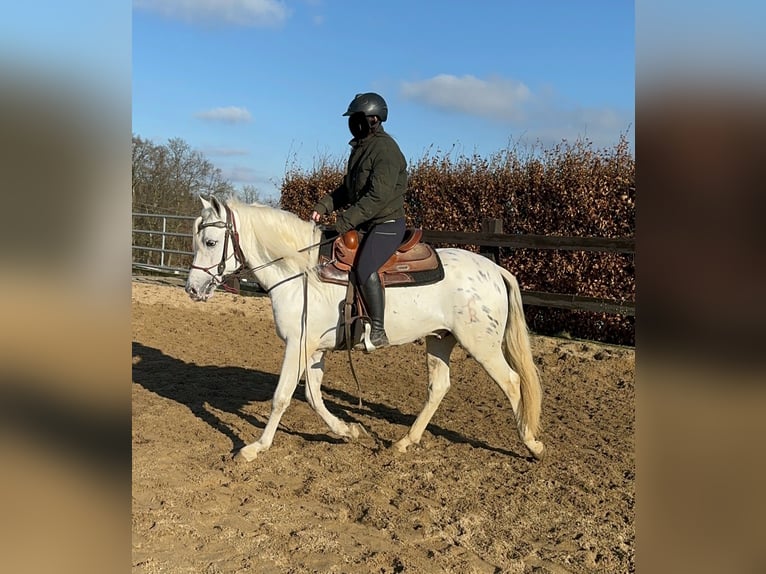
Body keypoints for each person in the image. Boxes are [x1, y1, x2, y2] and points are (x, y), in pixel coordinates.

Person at [310, 92, 408, 349]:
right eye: (351, 118)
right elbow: (347, 189)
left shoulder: (385, 150)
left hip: (386, 224)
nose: (353, 123)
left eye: (357, 118)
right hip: (367, 222)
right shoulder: (361, 149)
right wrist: (323, 206)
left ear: (374, 120)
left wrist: (346, 220)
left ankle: (378, 329)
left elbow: (378, 197)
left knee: (365, 267)